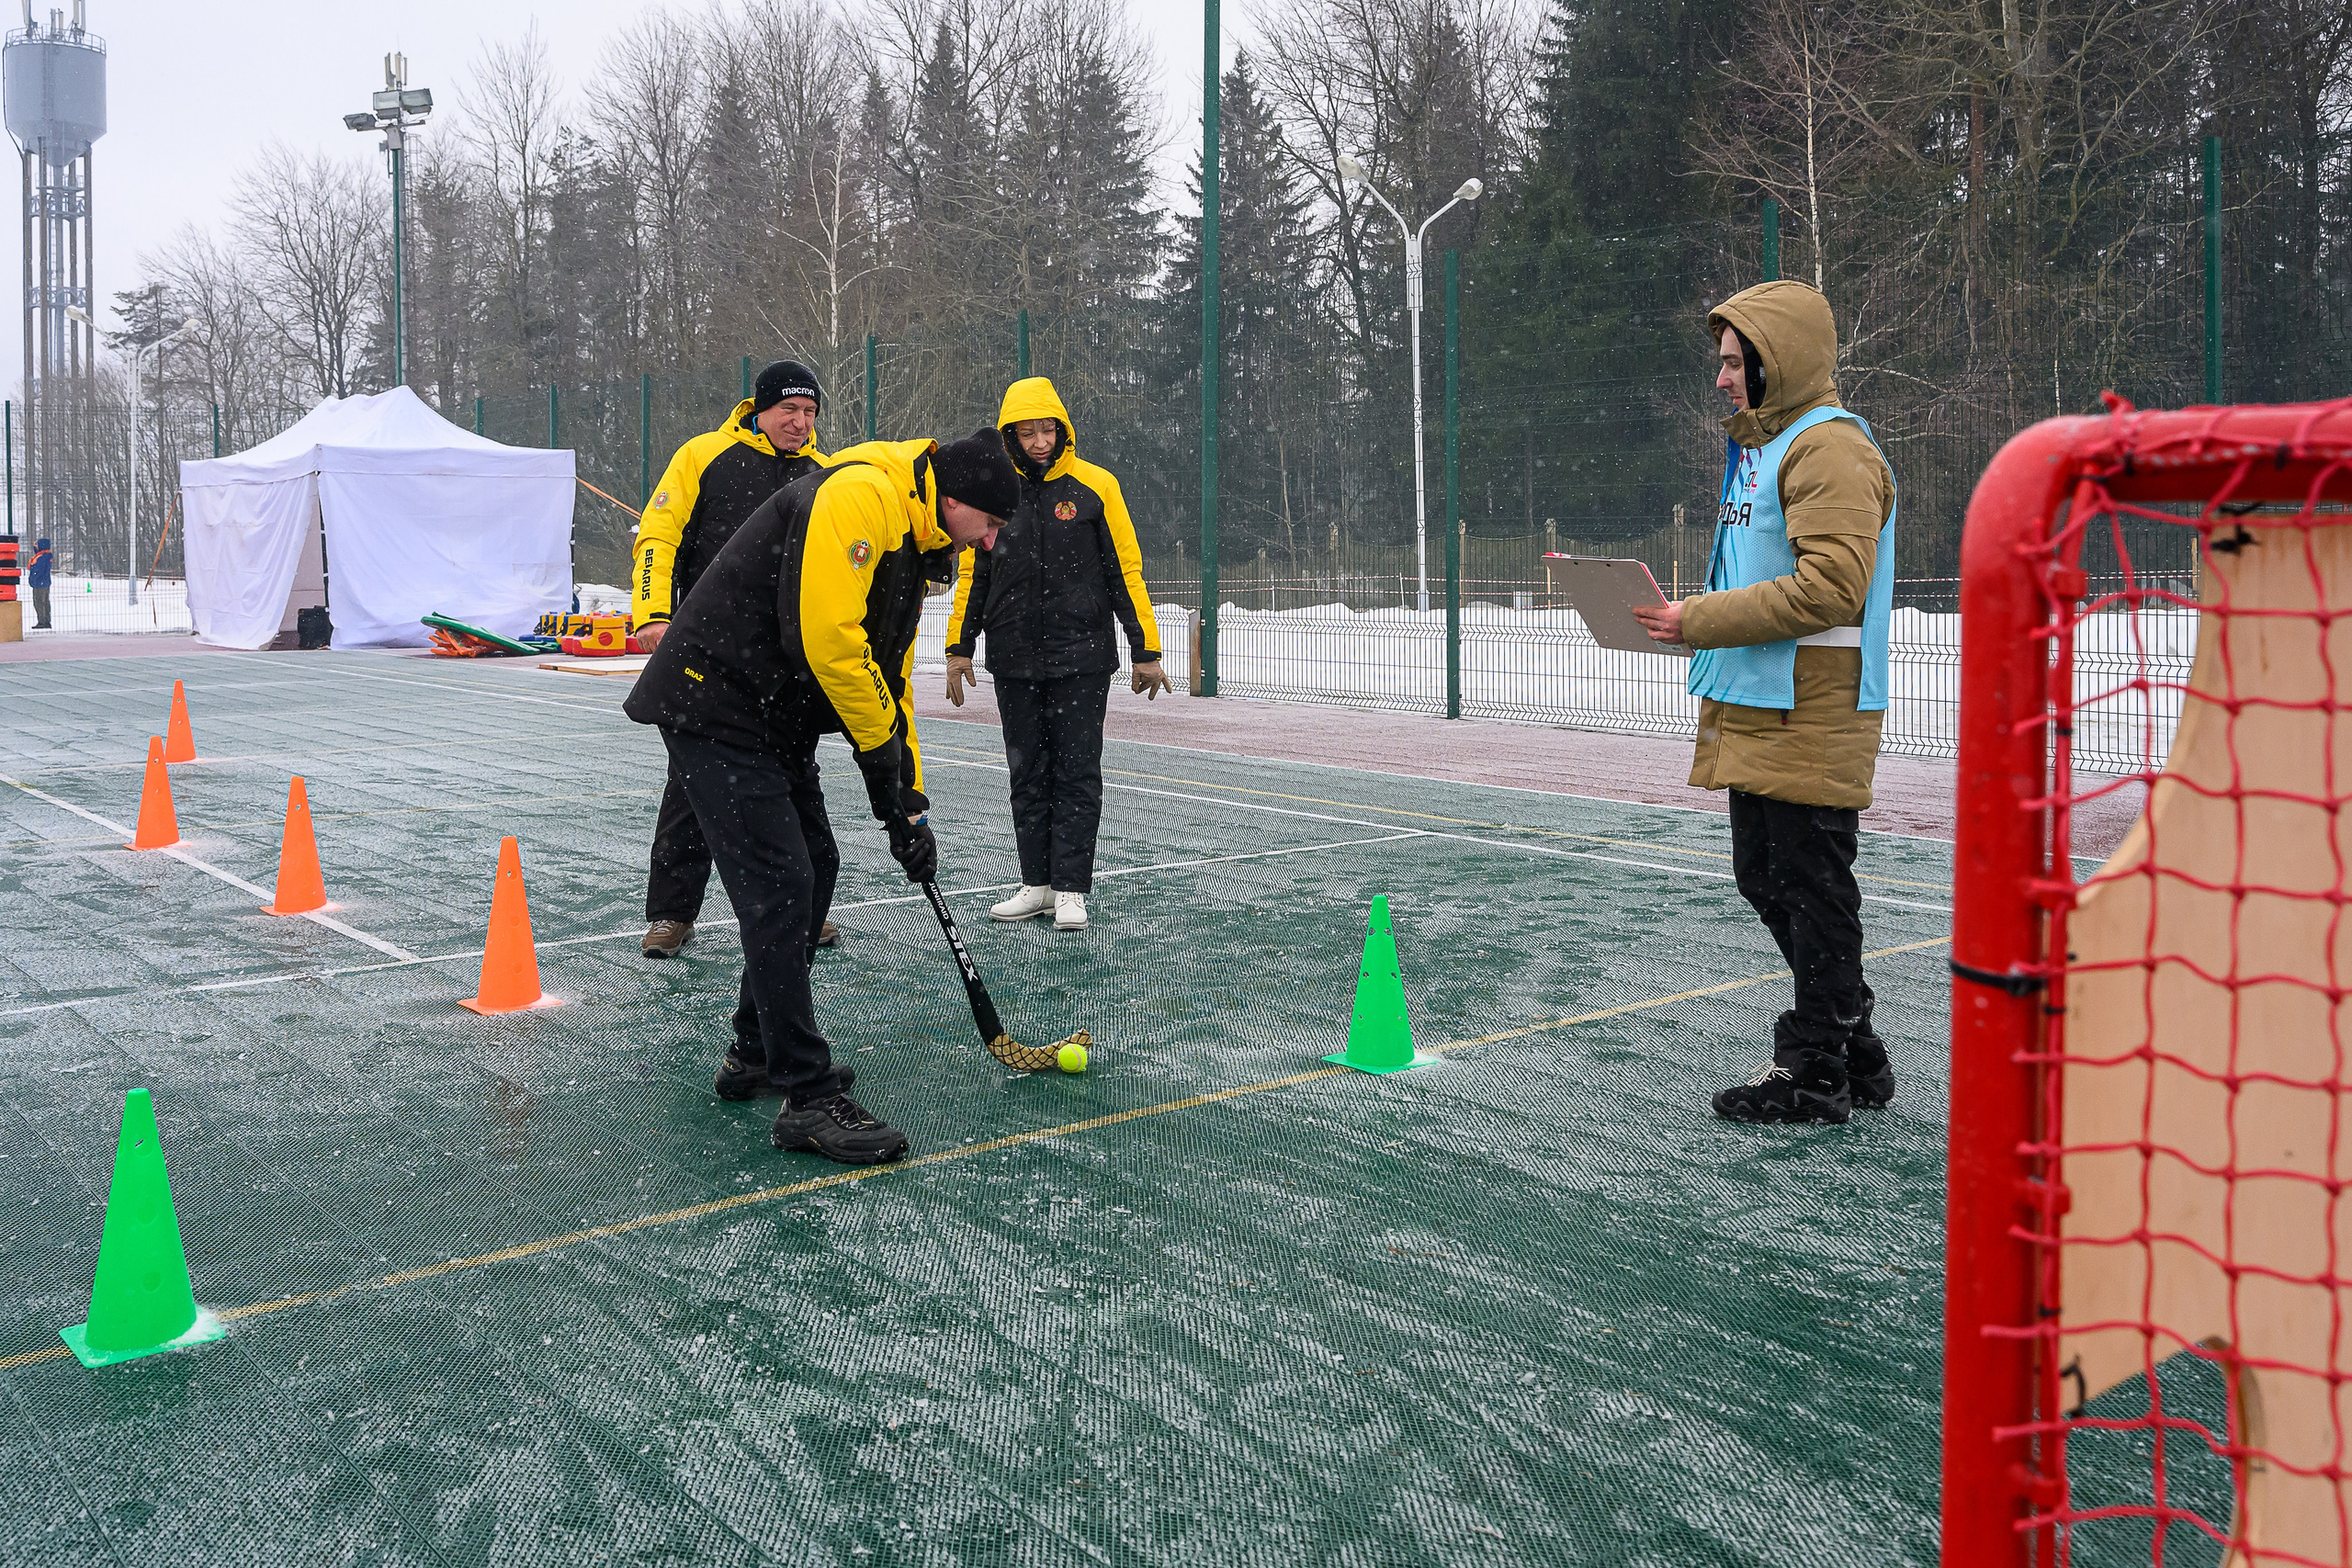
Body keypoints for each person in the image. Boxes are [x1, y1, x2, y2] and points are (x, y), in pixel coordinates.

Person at [623, 428, 1019, 1165]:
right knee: (781, 886)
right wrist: (879, 768)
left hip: (766, 716)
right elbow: (830, 642)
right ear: (957, 501)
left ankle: (754, 1053)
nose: (989, 543)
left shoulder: (914, 530)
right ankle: (805, 1097)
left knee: (816, 866)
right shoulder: (863, 496)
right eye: (989, 526)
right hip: (717, 704)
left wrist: (909, 799)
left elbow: (889, 675)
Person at [1630, 280, 1898, 1127]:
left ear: (1775, 364)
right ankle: (1852, 1047)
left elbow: (1830, 585)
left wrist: (1697, 619)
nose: (1721, 379)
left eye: (1734, 362)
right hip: (1764, 700)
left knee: (1812, 884)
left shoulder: (1831, 451)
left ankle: (1817, 1068)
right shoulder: (1770, 450)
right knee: (1769, 876)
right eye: (1721, 363)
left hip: (1812, 707)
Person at [942, 378, 1169, 932]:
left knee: (1076, 772)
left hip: (1082, 658)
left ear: (1063, 430)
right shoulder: (998, 488)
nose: (1039, 441)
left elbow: (1125, 570)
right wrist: (958, 646)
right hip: (1013, 657)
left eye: (1048, 430)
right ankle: (1036, 885)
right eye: (1027, 431)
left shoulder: (1096, 486)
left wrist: (1147, 648)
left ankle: (1070, 888)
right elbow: (974, 569)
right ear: (1010, 434)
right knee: (1027, 773)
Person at [630, 362, 833, 961]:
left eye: (810, 413)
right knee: (692, 787)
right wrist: (651, 613)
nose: (799, 423)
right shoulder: (703, 455)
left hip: (787, 666)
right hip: (705, 658)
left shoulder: (825, 474)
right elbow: (657, 535)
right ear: (760, 408)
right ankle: (672, 914)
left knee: (797, 780)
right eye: (789, 411)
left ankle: (809, 907)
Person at [27, 536, 51, 629]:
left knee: (39, 602)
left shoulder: (41, 558)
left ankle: (42, 621)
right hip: (45, 582)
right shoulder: (46, 555)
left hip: (39, 583)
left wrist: (33, 579)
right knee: (45, 602)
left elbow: (39, 570)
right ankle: (46, 620)